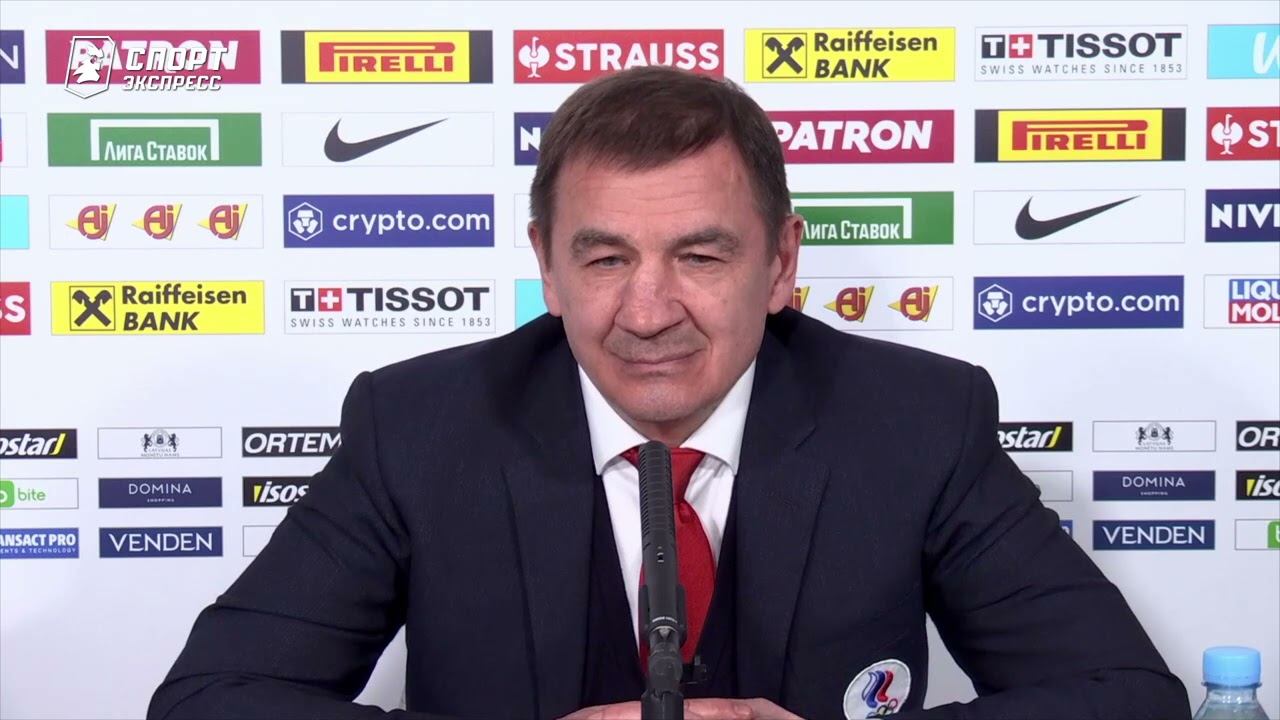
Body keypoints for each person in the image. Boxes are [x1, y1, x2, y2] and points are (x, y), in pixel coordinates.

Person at [148, 66, 1190, 720]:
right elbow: (210, 701)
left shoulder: (918, 421)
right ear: (547, 268)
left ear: (780, 265)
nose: (648, 312)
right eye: (604, 260)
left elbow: (1126, 698)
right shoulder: (418, 428)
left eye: (699, 255)